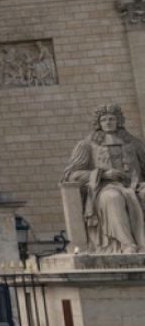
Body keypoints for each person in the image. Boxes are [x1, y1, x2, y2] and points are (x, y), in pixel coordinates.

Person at [64, 104, 145, 253]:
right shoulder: (87, 145)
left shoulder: (134, 143)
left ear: (118, 121)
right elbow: (72, 175)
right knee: (113, 198)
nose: (108, 122)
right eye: (104, 119)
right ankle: (126, 244)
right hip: (103, 188)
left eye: (112, 119)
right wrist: (102, 174)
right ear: (98, 123)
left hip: (134, 186)